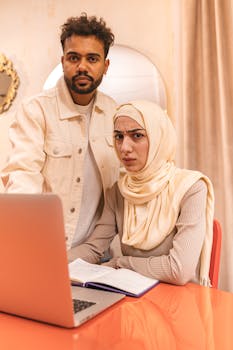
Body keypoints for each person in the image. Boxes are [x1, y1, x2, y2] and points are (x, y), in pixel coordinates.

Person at [0, 14, 120, 252]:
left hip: (96, 256)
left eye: (92, 59)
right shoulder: (36, 111)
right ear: (63, 61)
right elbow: (23, 177)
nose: (82, 67)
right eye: (74, 58)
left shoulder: (115, 114)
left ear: (105, 66)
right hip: (44, 250)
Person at [72, 100, 215, 286]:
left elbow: (179, 270)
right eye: (118, 137)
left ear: (159, 138)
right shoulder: (119, 191)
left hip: (180, 301)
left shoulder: (191, 187)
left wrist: (121, 263)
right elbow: (93, 249)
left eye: (137, 135)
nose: (124, 148)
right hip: (134, 297)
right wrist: (50, 264)